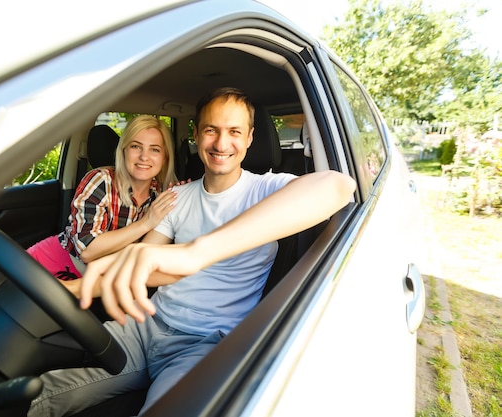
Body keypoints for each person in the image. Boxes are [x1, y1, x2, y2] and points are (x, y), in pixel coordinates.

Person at [27, 88, 356, 416]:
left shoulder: (265, 190)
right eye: (211, 130)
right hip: (145, 324)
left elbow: (338, 186)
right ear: (196, 135)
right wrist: (63, 290)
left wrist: (197, 252)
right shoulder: (178, 196)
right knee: (40, 396)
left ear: (250, 138)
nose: (221, 144)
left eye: (234, 132)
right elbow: (145, 264)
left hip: (204, 345)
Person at [26, 115, 178, 297]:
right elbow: (88, 251)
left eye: (154, 150)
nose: (144, 157)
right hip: (50, 266)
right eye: (136, 146)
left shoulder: (161, 193)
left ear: (164, 158)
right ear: (123, 151)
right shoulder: (101, 180)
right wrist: (146, 222)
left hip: (99, 284)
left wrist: (186, 195)